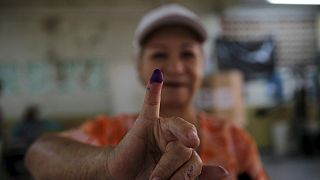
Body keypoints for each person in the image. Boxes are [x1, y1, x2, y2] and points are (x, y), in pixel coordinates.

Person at [25, 4, 268, 180]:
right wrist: (108, 164)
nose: (175, 67)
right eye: (159, 54)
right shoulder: (109, 131)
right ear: (139, 68)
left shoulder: (235, 139)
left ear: (203, 66)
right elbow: (38, 154)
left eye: (188, 54)